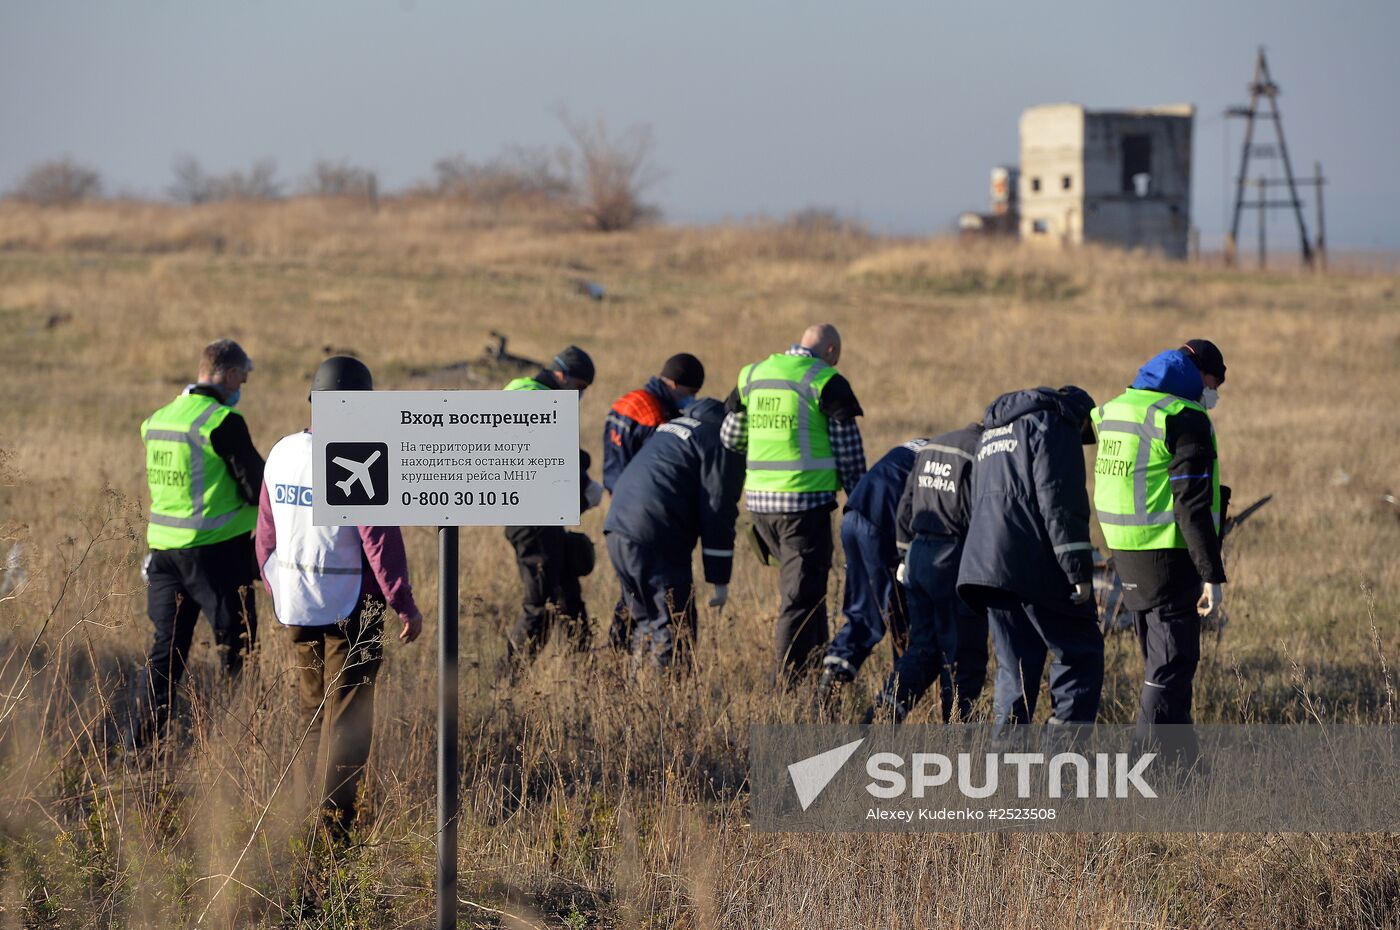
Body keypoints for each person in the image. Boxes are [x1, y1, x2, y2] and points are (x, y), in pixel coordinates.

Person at [256, 356, 422, 839]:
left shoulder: (283, 452)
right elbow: (379, 541)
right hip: (355, 607)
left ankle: (304, 809)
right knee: (348, 718)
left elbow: (265, 538)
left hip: (298, 605)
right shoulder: (357, 452)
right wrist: (403, 603)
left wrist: (279, 587)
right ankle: (333, 829)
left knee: (314, 711)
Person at [1092, 340, 1229, 763]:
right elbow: (1190, 502)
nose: (1216, 392)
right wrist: (1212, 573)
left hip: (1126, 552)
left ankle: (1183, 767)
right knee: (1170, 666)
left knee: (1161, 664)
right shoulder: (1183, 417)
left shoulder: (1117, 407)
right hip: (1168, 556)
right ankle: (1145, 769)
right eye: (1216, 381)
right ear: (1199, 374)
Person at [129, 339, 263, 750]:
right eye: (242, 375)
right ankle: (235, 745)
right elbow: (257, 488)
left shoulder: (159, 420)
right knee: (238, 653)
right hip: (217, 553)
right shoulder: (222, 421)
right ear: (224, 373)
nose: (243, 384)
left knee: (165, 654)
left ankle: (141, 746)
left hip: (165, 556)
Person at [721, 323, 866, 686]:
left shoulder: (753, 374)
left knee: (809, 590)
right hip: (803, 507)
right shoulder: (826, 380)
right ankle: (784, 687)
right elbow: (849, 454)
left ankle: (817, 671)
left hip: (759, 505)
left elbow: (730, 436)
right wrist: (861, 500)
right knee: (798, 599)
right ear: (831, 351)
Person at [957, 385, 1103, 727]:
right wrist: (1077, 571)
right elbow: (1060, 502)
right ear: (1082, 418)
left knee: (1015, 669)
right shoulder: (1057, 423)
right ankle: (1063, 767)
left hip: (985, 566)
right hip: (1031, 562)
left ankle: (1007, 770)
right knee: (1081, 655)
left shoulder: (992, 432)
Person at [603, 398, 744, 668]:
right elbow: (718, 510)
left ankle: (629, 691)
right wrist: (719, 578)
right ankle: (667, 703)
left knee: (644, 619)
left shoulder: (671, 428)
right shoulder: (717, 441)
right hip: (655, 535)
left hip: (616, 528)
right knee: (676, 628)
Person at [865, 423, 988, 723]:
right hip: (953, 560)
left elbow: (905, 507)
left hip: (919, 556)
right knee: (961, 655)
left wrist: (906, 554)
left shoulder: (932, 446)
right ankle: (958, 731)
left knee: (923, 649)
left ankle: (880, 717)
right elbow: (983, 514)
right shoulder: (982, 453)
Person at [502, 346, 605, 665]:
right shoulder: (539, 401)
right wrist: (582, 471)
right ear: (561, 375)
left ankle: (588, 676)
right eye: (579, 387)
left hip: (540, 516)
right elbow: (545, 457)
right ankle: (507, 681)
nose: (580, 396)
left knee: (568, 597)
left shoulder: (526, 394)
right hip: (532, 519)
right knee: (540, 605)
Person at [602, 353, 706, 650]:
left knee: (632, 595)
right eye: (689, 393)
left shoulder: (624, 402)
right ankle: (652, 671)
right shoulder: (656, 417)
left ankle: (615, 658)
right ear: (673, 383)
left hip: (620, 507)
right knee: (655, 605)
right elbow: (660, 468)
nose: (691, 399)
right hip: (646, 513)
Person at [817, 438, 928, 700]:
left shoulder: (919, 447)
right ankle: (900, 694)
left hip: (853, 516)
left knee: (863, 613)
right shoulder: (953, 459)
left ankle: (830, 679)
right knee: (900, 612)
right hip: (880, 524)